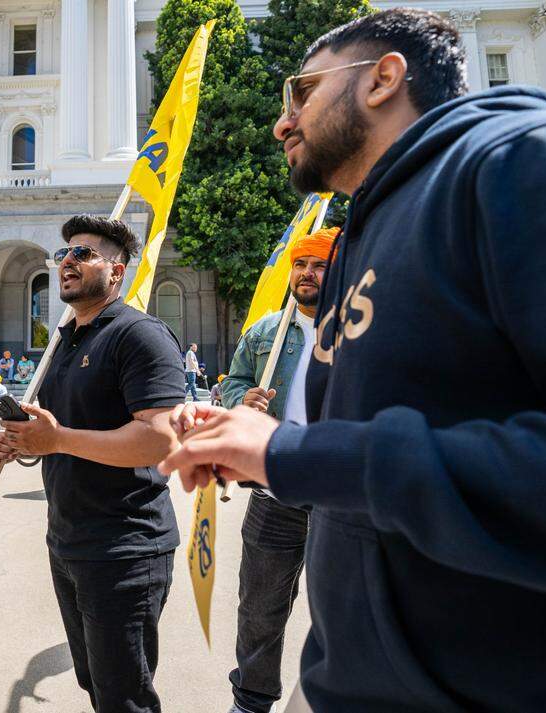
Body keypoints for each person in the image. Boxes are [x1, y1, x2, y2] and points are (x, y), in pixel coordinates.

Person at [160, 8, 546, 711]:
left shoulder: (532, 160)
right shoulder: (360, 234)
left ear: (382, 79)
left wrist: (297, 456)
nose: (281, 122)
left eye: (300, 91)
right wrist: (262, 447)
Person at [0, 215, 186, 713]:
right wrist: (23, 442)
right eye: (63, 254)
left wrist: (55, 439)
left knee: (125, 698)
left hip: (125, 547)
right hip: (68, 541)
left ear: (116, 273)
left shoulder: (140, 335)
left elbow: (159, 440)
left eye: (83, 254)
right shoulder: (64, 341)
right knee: (95, 685)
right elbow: (59, 433)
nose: (67, 262)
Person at [218, 228, 336, 713]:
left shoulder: (362, 326)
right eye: (300, 265)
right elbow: (234, 382)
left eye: (319, 265)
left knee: (345, 606)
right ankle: (251, 700)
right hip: (274, 492)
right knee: (259, 609)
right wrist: (239, 398)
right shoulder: (265, 331)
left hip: (341, 493)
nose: (306, 274)